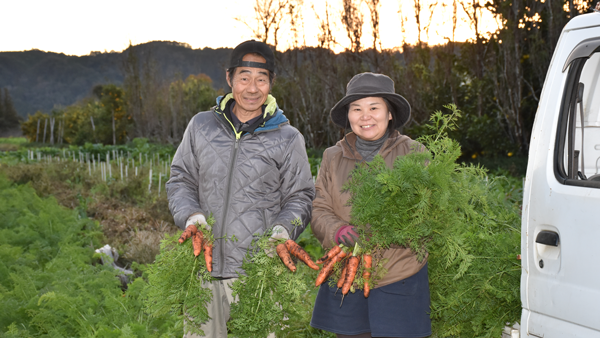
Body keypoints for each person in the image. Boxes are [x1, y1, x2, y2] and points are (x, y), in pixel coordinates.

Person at [166, 39, 315, 338]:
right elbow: (180, 179)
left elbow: (301, 196)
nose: (252, 88)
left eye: (261, 79)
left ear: (271, 83)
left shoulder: (287, 137)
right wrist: (192, 217)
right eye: (244, 78)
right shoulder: (201, 126)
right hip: (203, 270)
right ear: (229, 78)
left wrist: (283, 231)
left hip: (260, 274)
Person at [309, 72, 432, 338]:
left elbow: (427, 214)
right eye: (357, 109)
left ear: (389, 114)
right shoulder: (332, 157)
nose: (365, 116)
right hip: (348, 275)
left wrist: (387, 232)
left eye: (374, 107)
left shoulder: (414, 154)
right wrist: (338, 231)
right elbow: (319, 209)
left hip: (400, 278)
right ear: (348, 115)